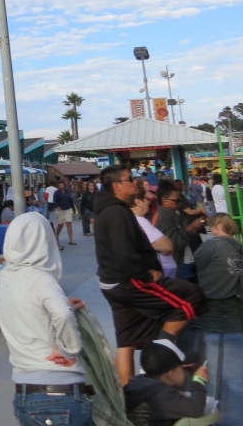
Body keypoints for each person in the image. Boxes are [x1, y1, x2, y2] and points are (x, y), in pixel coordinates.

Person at [93, 165, 206, 386]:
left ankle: (129, 396)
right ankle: (161, 355)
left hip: (111, 283)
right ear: (116, 186)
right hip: (129, 281)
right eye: (129, 179)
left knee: (126, 340)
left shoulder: (111, 209)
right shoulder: (116, 212)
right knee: (192, 296)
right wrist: (146, 276)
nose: (134, 182)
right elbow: (123, 253)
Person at [0, 213, 93, 426]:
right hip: (61, 394)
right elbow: (62, 314)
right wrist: (69, 350)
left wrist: (62, 301)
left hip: (24, 393)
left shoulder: (4, 277)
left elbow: (26, 306)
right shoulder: (41, 279)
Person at [124, 340, 209, 425]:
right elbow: (195, 409)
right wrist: (199, 380)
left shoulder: (135, 383)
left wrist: (175, 394)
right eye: (182, 367)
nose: (185, 370)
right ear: (171, 374)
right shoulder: (161, 395)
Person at [154, 181, 206, 277]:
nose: (179, 204)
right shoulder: (163, 217)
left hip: (187, 261)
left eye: (180, 200)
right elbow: (176, 242)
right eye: (176, 201)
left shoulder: (174, 213)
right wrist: (192, 227)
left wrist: (195, 227)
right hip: (179, 264)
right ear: (165, 200)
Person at [193, 213, 243, 301]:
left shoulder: (211, 245)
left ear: (220, 226)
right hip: (236, 298)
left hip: (213, 298)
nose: (210, 228)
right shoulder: (238, 245)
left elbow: (196, 266)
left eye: (211, 225)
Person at [131, 189, 177, 279]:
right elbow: (167, 247)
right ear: (138, 202)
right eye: (146, 198)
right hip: (161, 272)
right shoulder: (140, 221)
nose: (149, 202)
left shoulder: (135, 220)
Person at [52, 182, 76, 249]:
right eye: (60, 185)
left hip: (68, 208)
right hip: (60, 209)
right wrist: (57, 206)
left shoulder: (67, 192)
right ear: (58, 186)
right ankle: (56, 237)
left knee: (69, 223)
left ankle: (71, 240)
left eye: (62, 185)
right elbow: (54, 201)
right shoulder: (56, 192)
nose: (61, 186)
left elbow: (70, 200)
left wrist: (73, 208)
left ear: (64, 186)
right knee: (60, 224)